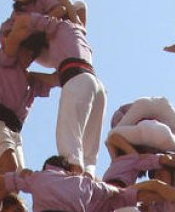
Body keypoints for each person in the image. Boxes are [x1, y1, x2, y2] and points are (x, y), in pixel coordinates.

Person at [15, 11, 106, 175]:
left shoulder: (59, 26)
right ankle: (88, 178)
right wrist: (31, 75)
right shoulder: (76, 34)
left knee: (68, 138)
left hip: (77, 81)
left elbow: (26, 19)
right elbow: (56, 79)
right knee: (89, 149)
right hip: (96, 85)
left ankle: (74, 176)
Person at [0, 15, 57, 172]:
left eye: (34, 54)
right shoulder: (6, 61)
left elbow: (61, 79)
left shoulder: (32, 82)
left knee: (19, 179)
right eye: (27, 50)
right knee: (10, 168)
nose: (29, 56)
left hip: (14, 133)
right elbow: (15, 36)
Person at [107, 97, 175, 166]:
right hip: (161, 104)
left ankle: (123, 160)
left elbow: (112, 138)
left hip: (145, 117)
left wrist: (118, 161)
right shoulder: (165, 145)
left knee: (112, 136)